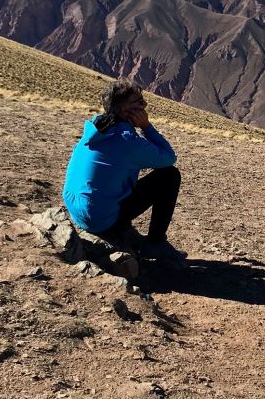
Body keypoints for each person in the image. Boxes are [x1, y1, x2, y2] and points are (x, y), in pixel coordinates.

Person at [62, 79, 184, 263]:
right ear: (125, 111)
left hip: (78, 212)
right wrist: (147, 127)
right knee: (169, 176)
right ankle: (155, 244)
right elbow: (168, 158)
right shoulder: (127, 141)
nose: (145, 105)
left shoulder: (97, 127)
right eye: (139, 102)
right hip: (100, 220)